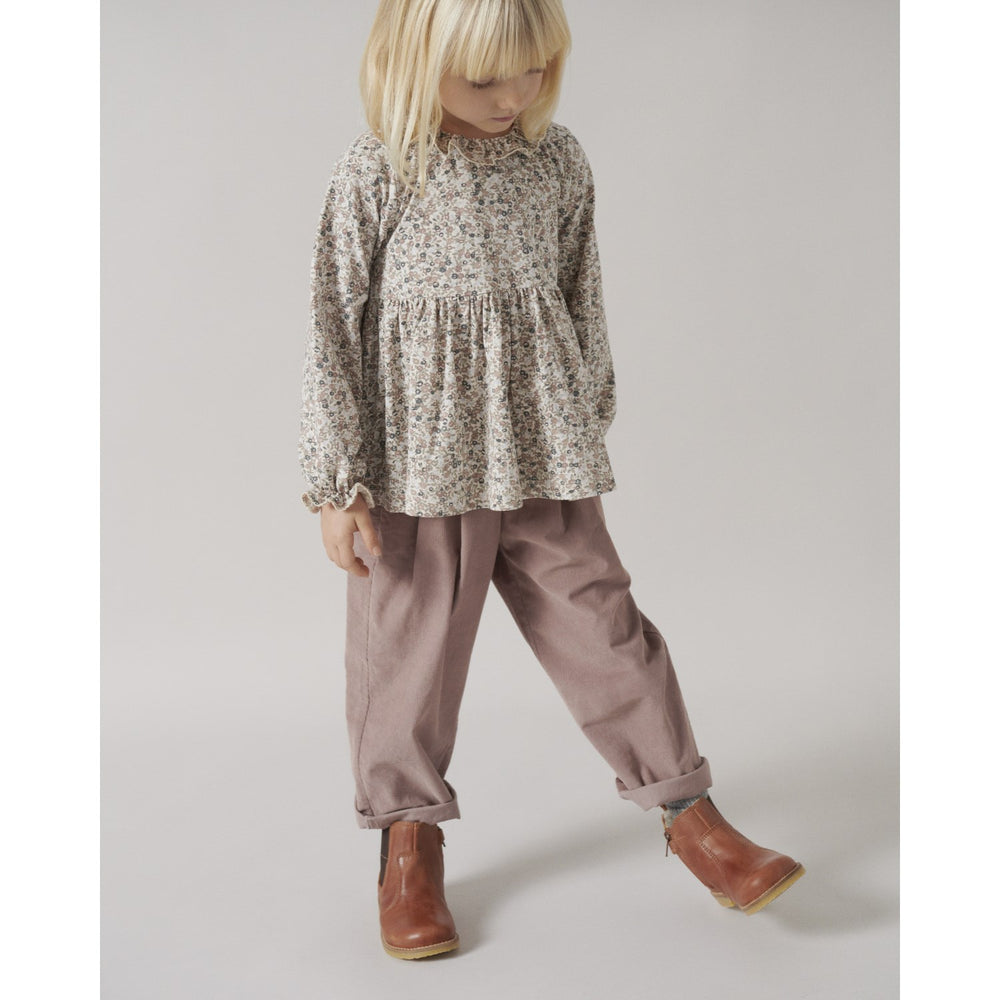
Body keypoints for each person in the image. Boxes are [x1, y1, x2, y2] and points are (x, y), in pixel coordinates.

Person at [299, 0, 803, 960]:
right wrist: (338, 481)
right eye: (485, 77)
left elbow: (581, 290)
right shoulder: (379, 169)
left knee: (605, 628)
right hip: (419, 463)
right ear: (416, 60)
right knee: (407, 659)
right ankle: (408, 844)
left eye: (532, 69)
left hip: (540, 448)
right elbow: (333, 321)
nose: (513, 95)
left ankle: (692, 817)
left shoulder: (556, 160)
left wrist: (584, 411)